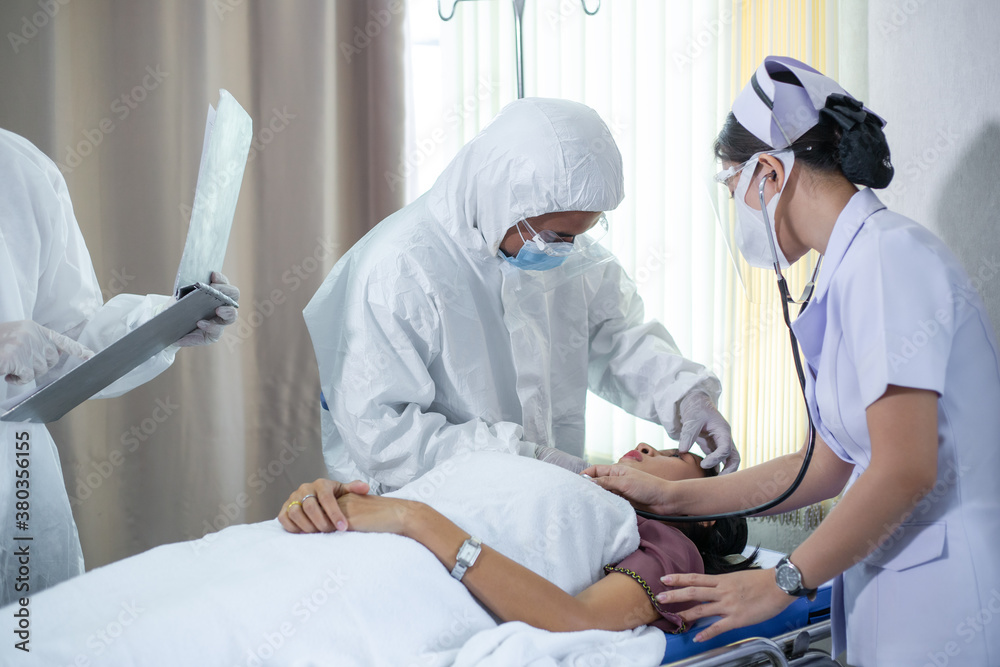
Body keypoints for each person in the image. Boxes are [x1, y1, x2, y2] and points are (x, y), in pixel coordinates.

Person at [584, 56, 1000, 666]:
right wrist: (674, 499)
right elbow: (827, 466)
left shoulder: (890, 259)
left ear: (770, 172)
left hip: (947, 600)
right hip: (893, 587)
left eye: (732, 186)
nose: (735, 206)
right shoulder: (850, 268)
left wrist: (782, 580)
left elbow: (905, 468)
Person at [303, 97, 740, 509]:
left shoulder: (566, 253)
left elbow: (618, 338)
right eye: (556, 235)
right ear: (502, 200)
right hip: (428, 511)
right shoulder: (398, 270)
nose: (567, 249)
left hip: (540, 511)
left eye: (580, 234)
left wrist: (685, 396)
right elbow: (382, 433)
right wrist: (520, 457)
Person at [0, 128, 240, 605]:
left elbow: (68, 343)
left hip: (18, 490)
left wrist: (164, 322)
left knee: (31, 646)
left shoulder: (17, 167)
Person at [278, 443, 755, 633]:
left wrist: (415, 518)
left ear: (709, 510)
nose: (648, 445)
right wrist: (322, 500)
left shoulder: (672, 548)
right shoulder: (580, 489)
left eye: (675, 453)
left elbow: (578, 620)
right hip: (314, 548)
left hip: (395, 578)